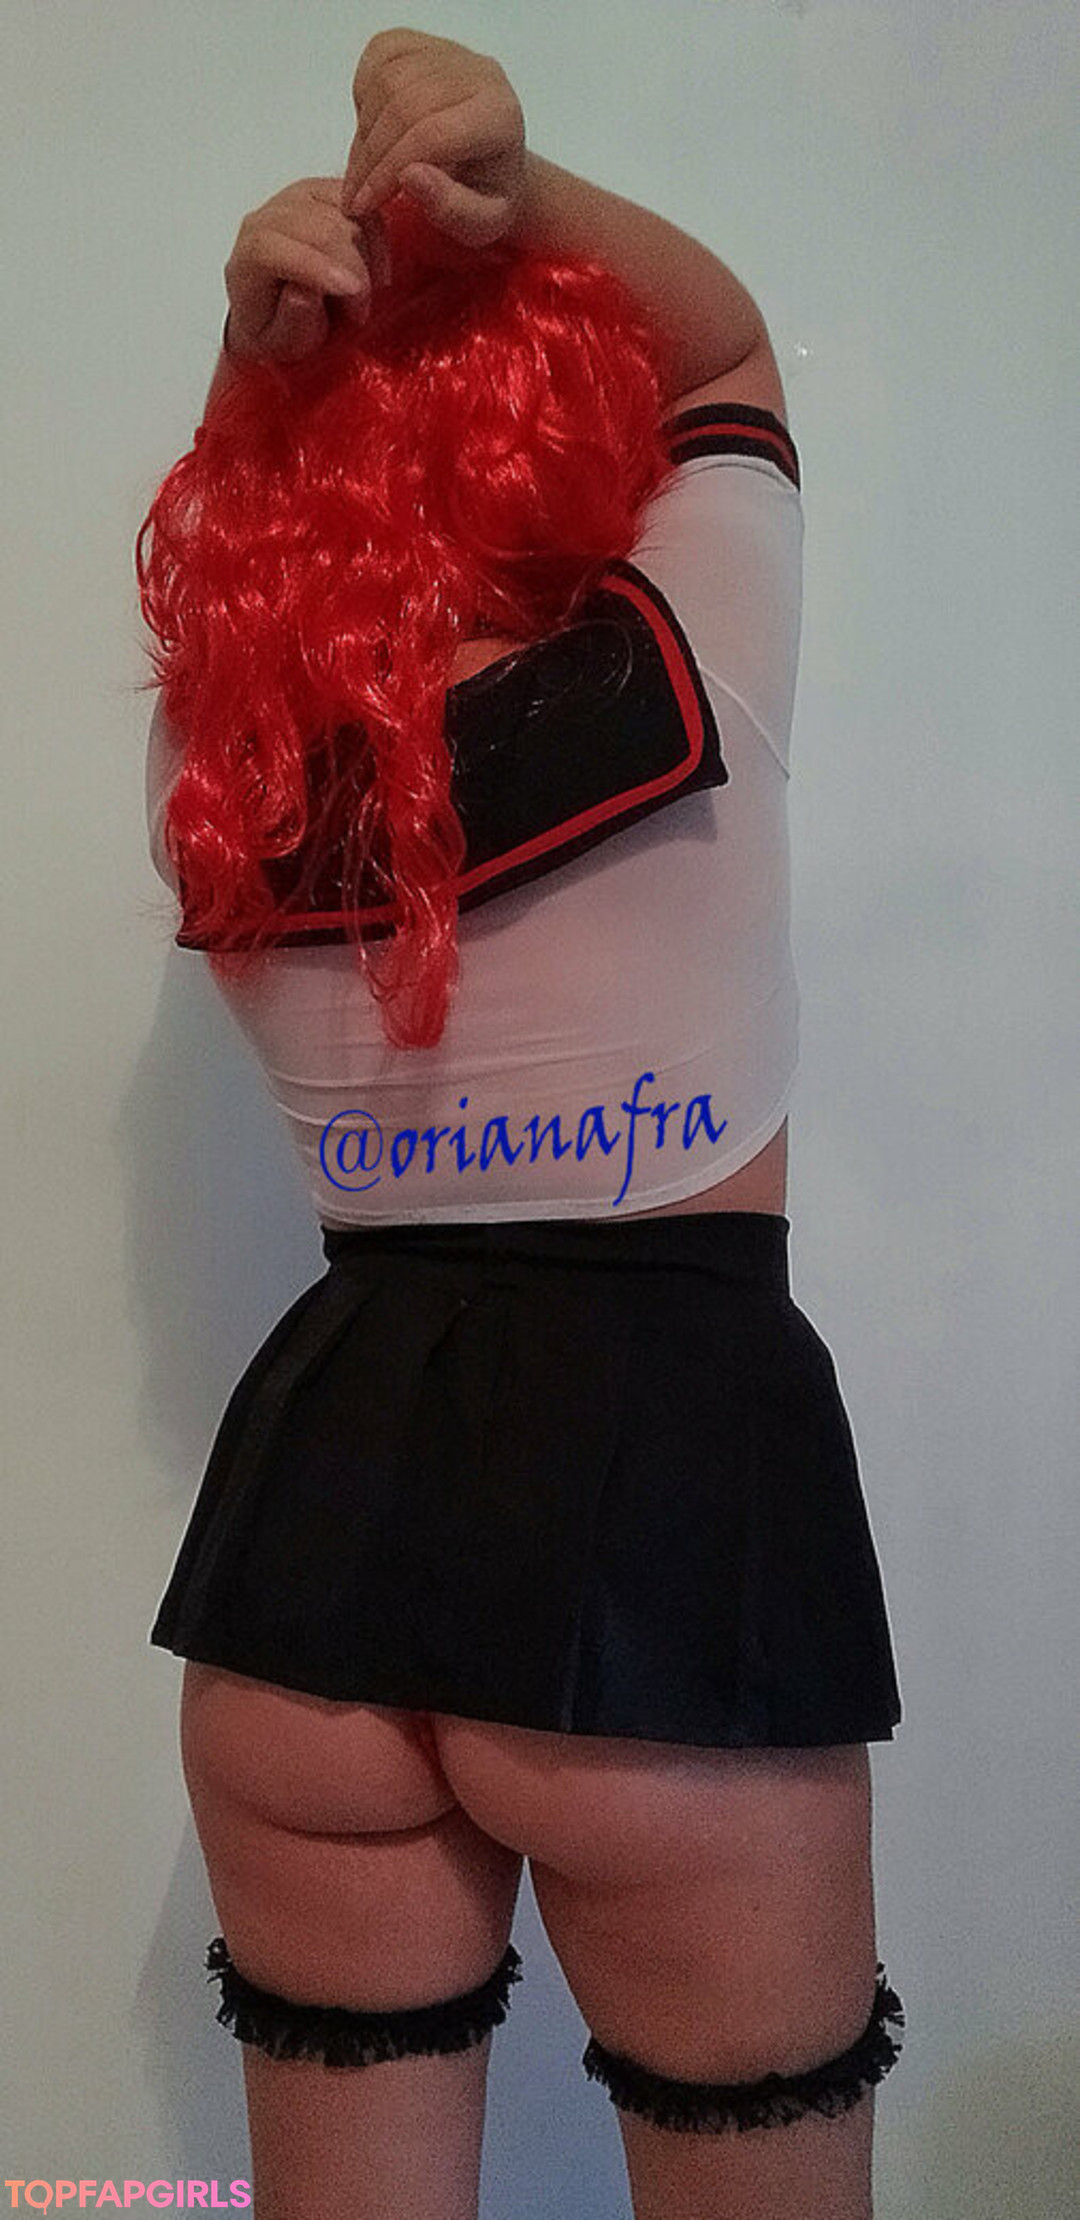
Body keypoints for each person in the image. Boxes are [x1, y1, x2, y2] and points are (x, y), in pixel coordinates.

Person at [137, 27, 904, 2220]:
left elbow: (226, 578)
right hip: (664, 1516)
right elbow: (726, 353)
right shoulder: (686, 660)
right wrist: (514, 190)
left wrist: (254, 385)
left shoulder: (236, 788)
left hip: (312, 1537)